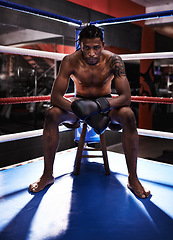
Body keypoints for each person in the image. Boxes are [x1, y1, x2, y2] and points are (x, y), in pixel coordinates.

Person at [29, 25, 150, 198]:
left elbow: (126, 98)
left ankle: (133, 178)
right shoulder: (70, 61)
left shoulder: (113, 61)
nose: (92, 53)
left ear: (103, 45)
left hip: (106, 105)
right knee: (51, 114)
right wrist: (81, 109)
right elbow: (55, 97)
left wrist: (99, 106)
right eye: (87, 48)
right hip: (78, 107)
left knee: (129, 115)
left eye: (96, 48)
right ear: (80, 45)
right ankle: (47, 174)